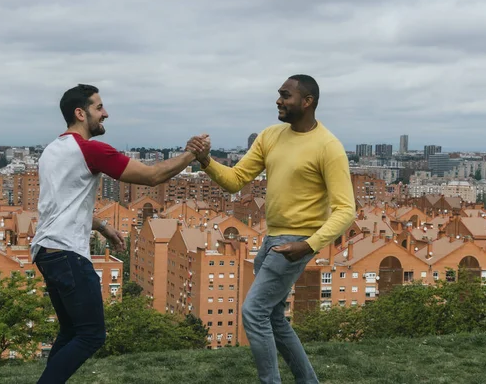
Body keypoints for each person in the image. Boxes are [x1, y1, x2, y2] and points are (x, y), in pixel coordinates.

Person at [30, 84, 209, 384]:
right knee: (91, 335)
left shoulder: (51, 151)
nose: (106, 113)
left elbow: (62, 205)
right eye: (99, 108)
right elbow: (153, 176)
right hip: (67, 252)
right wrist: (191, 154)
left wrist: (101, 226)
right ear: (80, 113)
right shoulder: (91, 149)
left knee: (72, 331)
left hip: (46, 251)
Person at [196, 75, 355, 384]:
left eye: (286, 95)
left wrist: (309, 245)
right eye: (279, 95)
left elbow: (346, 210)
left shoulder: (328, 147)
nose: (279, 100)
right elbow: (236, 179)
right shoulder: (271, 136)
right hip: (273, 239)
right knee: (273, 318)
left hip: (295, 243)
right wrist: (205, 161)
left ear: (307, 102)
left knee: (253, 312)